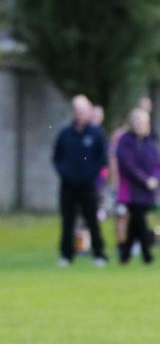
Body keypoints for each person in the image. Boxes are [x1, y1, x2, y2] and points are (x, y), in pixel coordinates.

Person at [52, 94, 108, 266]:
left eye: (82, 111)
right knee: (68, 220)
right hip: (68, 185)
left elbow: (101, 158)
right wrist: (66, 174)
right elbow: (57, 157)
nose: (79, 114)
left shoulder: (96, 134)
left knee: (91, 219)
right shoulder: (65, 133)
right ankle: (66, 255)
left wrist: (89, 175)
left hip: (88, 185)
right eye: (77, 111)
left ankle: (98, 253)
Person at [114, 107, 160, 265]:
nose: (141, 125)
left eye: (144, 122)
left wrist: (155, 178)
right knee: (139, 220)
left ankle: (126, 254)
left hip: (146, 188)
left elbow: (156, 164)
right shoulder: (125, 141)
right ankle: (146, 254)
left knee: (136, 222)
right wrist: (145, 180)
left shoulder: (150, 142)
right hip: (131, 188)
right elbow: (128, 165)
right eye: (138, 121)